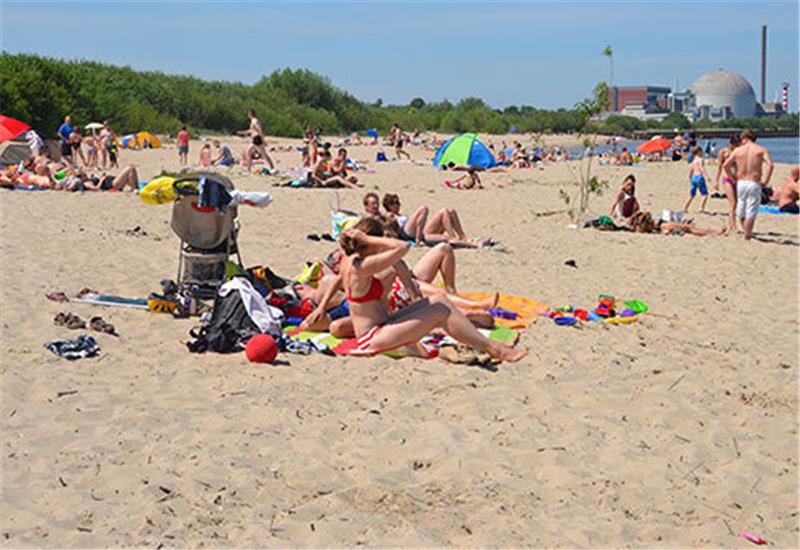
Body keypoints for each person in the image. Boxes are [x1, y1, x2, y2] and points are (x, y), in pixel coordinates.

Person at [335, 219, 525, 362]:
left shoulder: (349, 260)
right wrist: (369, 238)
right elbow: (402, 246)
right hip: (372, 337)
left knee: (440, 299)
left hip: (382, 324)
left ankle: (487, 343)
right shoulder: (361, 266)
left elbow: (396, 260)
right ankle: (495, 349)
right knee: (440, 312)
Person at [723, 129, 774, 240]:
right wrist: (766, 181)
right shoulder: (760, 150)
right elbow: (770, 165)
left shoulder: (738, 151)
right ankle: (747, 234)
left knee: (741, 208)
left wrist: (732, 177)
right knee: (751, 208)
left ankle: (747, 231)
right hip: (754, 182)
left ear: (744, 138)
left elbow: (725, 165)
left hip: (741, 182)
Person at [714, 135, 741, 233]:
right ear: (732, 143)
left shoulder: (738, 152)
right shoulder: (723, 152)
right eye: (737, 145)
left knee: (736, 203)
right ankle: (732, 226)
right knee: (732, 202)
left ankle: (733, 224)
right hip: (727, 179)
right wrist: (716, 181)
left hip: (737, 178)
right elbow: (719, 167)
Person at [629, 212, 724, 237]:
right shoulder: (654, 224)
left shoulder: (645, 222)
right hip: (663, 225)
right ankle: (713, 232)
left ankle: (713, 232)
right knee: (688, 228)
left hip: (662, 225)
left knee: (688, 228)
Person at [684, 146, 710, 213]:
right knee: (705, 194)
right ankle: (701, 208)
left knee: (692, 194)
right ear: (698, 152)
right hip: (699, 177)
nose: (702, 153)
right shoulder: (700, 159)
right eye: (701, 151)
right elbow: (701, 168)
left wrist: (689, 177)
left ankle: (685, 207)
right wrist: (706, 176)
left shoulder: (693, 160)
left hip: (694, 177)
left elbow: (691, 169)